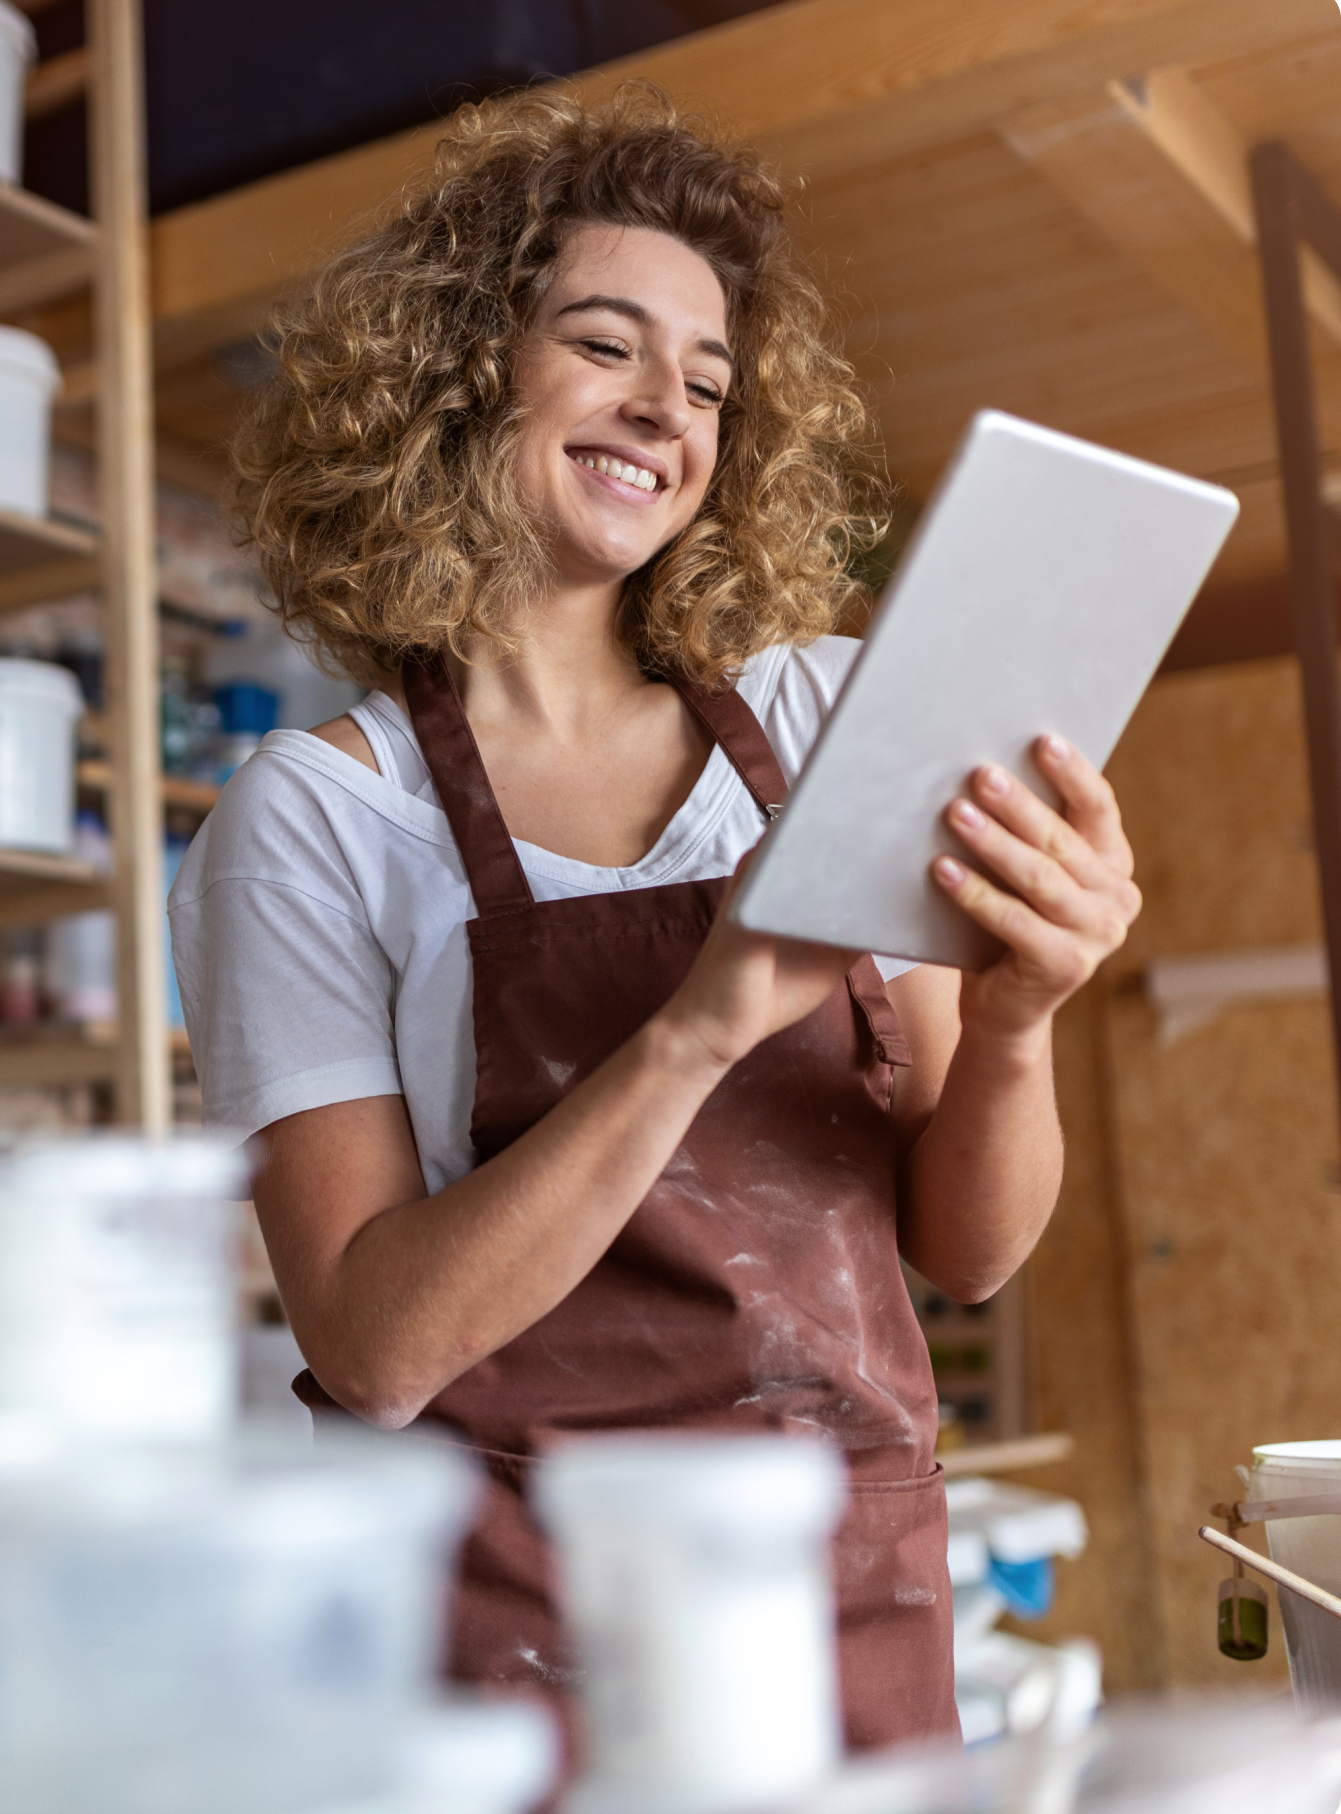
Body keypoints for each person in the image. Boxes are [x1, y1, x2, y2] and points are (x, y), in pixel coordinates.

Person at [169, 84, 1141, 1749]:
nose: (664, 409)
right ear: (466, 367)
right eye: (608, 345)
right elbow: (381, 1342)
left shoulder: (832, 720)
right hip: (513, 1636)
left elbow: (965, 1254)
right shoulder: (320, 819)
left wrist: (1023, 1013)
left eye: (707, 381)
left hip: (842, 1594)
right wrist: (698, 1023)